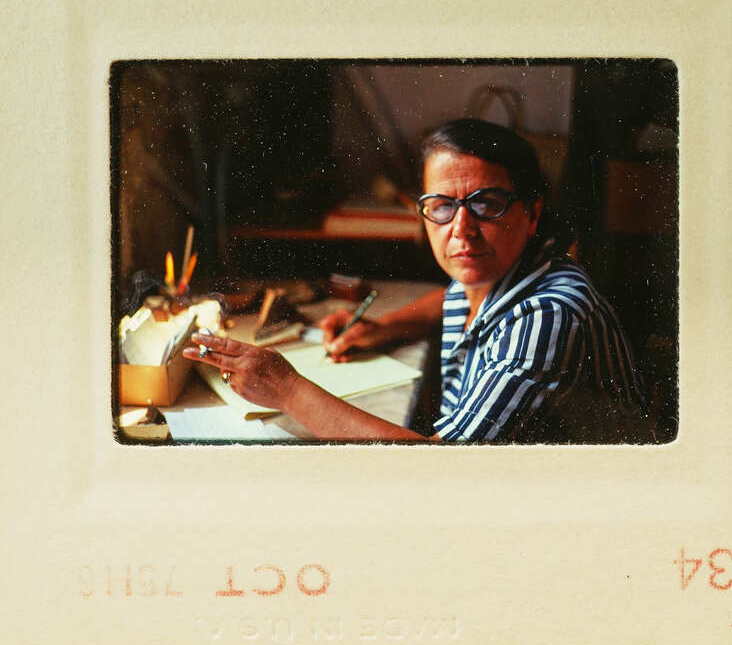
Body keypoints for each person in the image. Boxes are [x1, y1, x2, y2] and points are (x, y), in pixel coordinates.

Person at [184, 118, 651, 443]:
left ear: (531, 214)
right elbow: (450, 298)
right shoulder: (500, 270)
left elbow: (442, 473)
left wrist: (287, 388)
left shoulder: (548, 316)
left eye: (487, 204)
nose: (461, 230)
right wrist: (388, 327)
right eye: (443, 207)